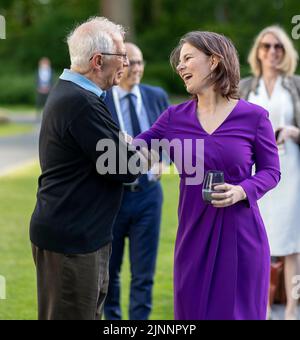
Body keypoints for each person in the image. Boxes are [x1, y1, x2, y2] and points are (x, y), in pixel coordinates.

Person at [133, 31, 281, 320]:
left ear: (214, 61)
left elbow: (271, 171)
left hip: (242, 240)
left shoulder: (254, 117)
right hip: (193, 240)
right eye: (179, 61)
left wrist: (242, 190)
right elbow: (132, 148)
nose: (180, 66)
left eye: (188, 58)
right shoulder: (173, 118)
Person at [29, 17, 143, 320]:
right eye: (122, 57)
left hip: (80, 237)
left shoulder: (77, 95)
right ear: (97, 61)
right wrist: (136, 149)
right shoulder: (81, 103)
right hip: (71, 243)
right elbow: (125, 167)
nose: (127, 64)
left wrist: (123, 145)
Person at [103, 42, 169, 320]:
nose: (138, 69)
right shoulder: (101, 99)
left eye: (141, 62)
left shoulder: (156, 96)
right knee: (110, 273)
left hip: (148, 196)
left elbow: (172, 137)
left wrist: (163, 160)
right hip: (112, 198)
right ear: (119, 65)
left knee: (144, 273)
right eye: (132, 63)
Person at [240, 26, 300, 320]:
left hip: (291, 170)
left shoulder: (296, 85)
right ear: (258, 51)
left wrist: (292, 131)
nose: (272, 51)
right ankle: (261, 306)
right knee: (258, 241)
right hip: (256, 172)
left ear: (285, 51)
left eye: (278, 46)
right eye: (266, 46)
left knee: (291, 244)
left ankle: (290, 309)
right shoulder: (247, 86)